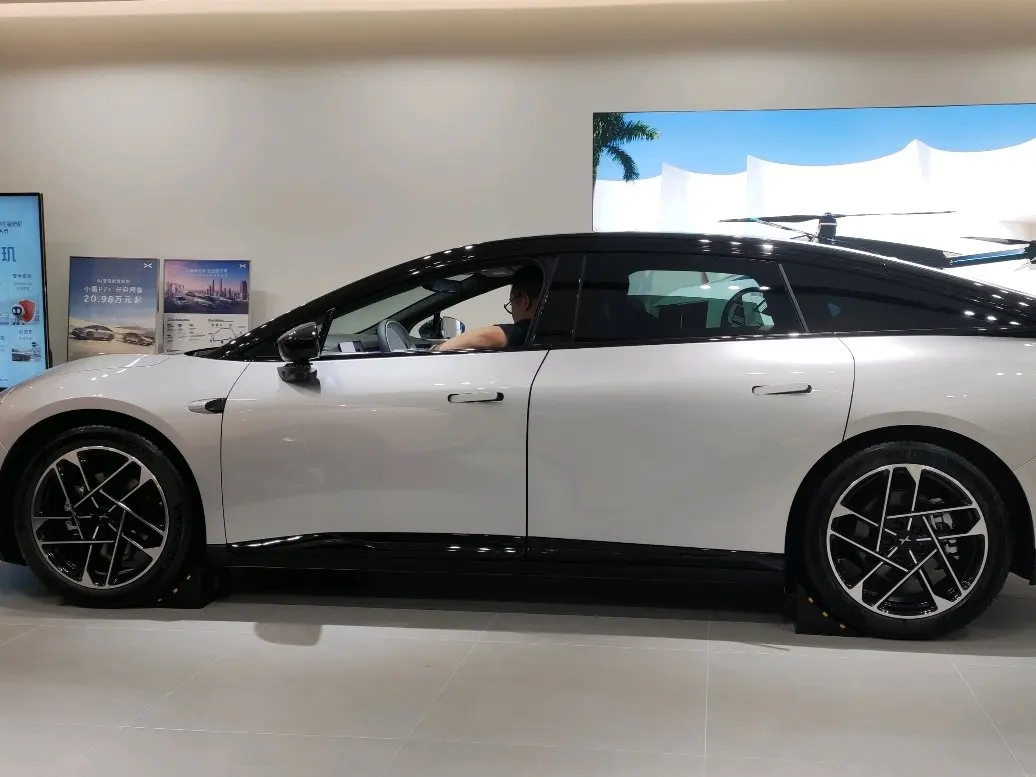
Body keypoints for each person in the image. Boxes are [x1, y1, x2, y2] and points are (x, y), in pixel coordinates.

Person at [433, 265, 541, 352]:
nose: (512, 313)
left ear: (525, 301)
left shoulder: (528, 330)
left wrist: (436, 349)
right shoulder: (547, 331)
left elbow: (484, 337)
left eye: (511, 304)